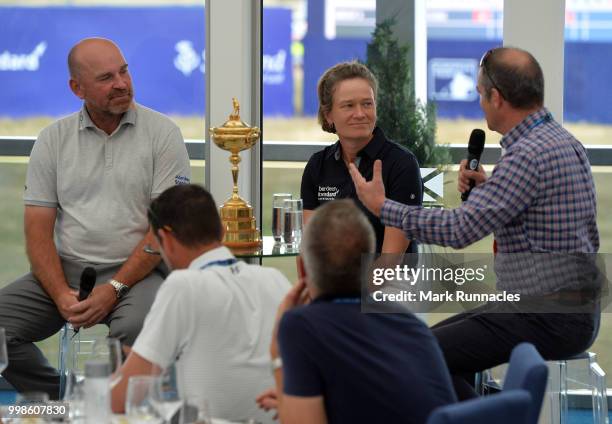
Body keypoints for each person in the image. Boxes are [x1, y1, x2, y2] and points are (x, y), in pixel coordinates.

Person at [349, 47, 599, 399]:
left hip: (543, 314)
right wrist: (490, 188)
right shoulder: (562, 142)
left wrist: (382, 205)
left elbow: (458, 231)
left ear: (496, 97)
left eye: (480, 94)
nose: (480, 103)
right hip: (566, 310)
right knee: (428, 346)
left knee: (419, 354)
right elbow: (537, 215)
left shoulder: (526, 156)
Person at [0, 37, 191, 399]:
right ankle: (67, 403)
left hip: (139, 274)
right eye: (106, 78)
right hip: (67, 270)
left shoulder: (163, 134)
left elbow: (163, 229)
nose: (121, 83)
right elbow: (37, 234)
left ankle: (116, 410)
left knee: (138, 329)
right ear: (77, 88)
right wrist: (59, 294)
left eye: (124, 71)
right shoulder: (52, 139)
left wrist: (114, 288)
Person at [258, 200, 456, 423]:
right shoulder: (409, 323)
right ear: (370, 263)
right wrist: (296, 399)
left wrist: (278, 358)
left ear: (303, 269)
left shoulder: (301, 325)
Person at [111, 184, 290, 423]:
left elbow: (121, 400)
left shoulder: (182, 286)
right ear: (223, 231)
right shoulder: (276, 280)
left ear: (165, 238)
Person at [300, 61, 422, 254]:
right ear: (328, 115)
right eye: (348, 106)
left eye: (367, 104)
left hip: (389, 283)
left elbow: (392, 260)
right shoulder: (318, 165)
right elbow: (311, 250)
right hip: (330, 281)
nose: (360, 114)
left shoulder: (402, 164)